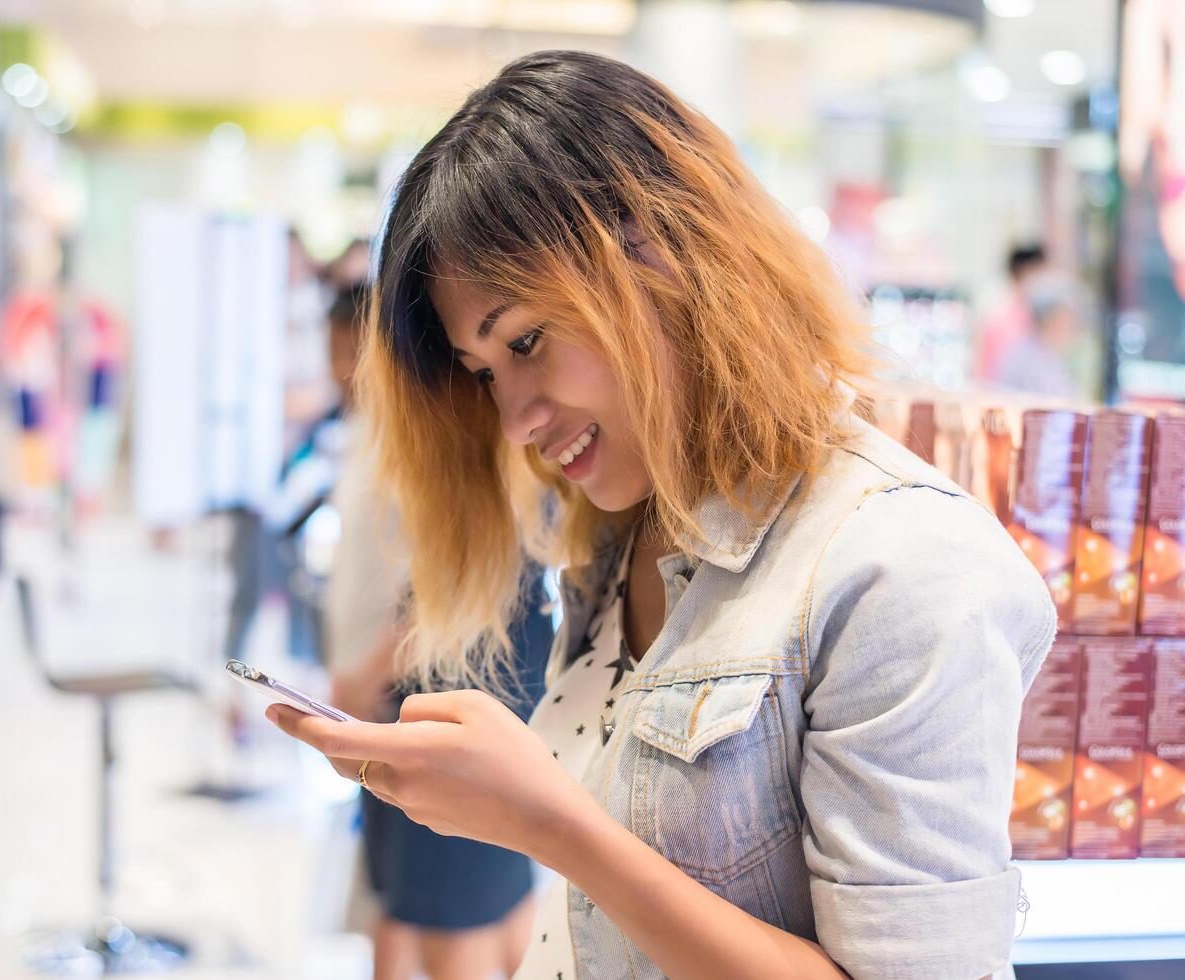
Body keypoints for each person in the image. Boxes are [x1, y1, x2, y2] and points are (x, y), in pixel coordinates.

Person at [269, 51, 1057, 979]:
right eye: (484, 373)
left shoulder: (902, 565)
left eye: (527, 340)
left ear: (661, 250)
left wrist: (546, 823)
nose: (515, 416)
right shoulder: (615, 532)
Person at [321, 283, 546, 979]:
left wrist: (366, 675)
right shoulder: (431, 430)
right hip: (445, 682)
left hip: (447, 686)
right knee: (444, 905)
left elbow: (449, 577)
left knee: (455, 916)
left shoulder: (458, 436)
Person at [995, 276, 1081, 399]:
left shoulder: (1051, 355)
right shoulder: (1025, 358)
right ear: (1050, 319)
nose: (1070, 325)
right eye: (1064, 317)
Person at [976, 244, 1048, 382]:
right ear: (1023, 272)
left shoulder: (1037, 317)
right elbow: (987, 375)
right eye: (1040, 273)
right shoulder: (999, 319)